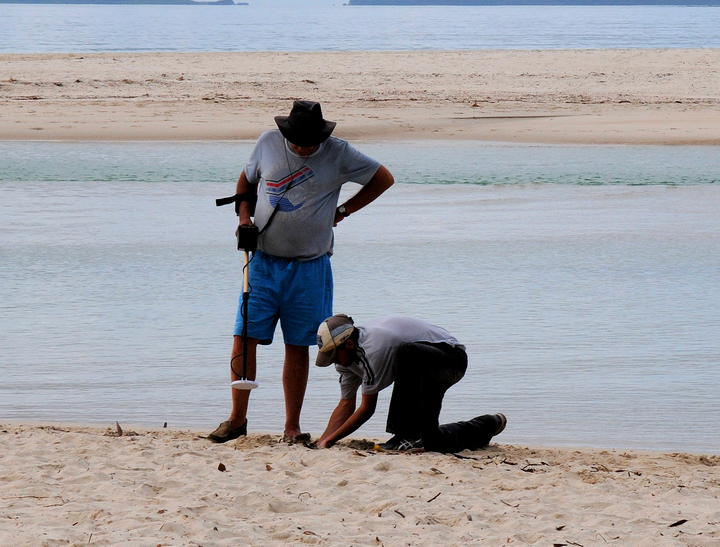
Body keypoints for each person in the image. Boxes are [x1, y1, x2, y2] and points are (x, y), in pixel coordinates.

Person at [208, 101, 394, 445]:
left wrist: (345, 210)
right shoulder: (267, 142)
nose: (303, 147)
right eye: (297, 141)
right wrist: (244, 219)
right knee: (244, 336)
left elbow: (384, 178)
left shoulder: (339, 153)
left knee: (299, 345)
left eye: (310, 142)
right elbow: (246, 182)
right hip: (262, 262)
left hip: (311, 266)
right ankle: (236, 419)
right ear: (286, 133)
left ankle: (291, 427)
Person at [312, 313, 507, 453]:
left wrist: (332, 439)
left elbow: (367, 409)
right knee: (432, 440)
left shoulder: (372, 351)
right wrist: (324, 440)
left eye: (333, 355)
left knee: (406, 352)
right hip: (421, 369)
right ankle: (489, 424)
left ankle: (405, 436)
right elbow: (346, 404)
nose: (332, 361)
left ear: (349, 344)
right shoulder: (346, 361)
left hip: (450, 358)